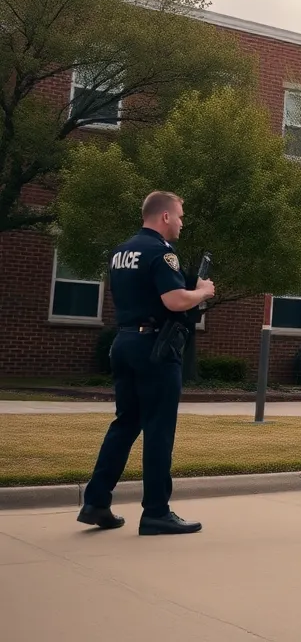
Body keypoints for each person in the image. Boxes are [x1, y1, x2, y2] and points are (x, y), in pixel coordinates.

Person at [77, 190, 214, 536]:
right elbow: (174, 300)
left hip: (124, 342)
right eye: (180, 216)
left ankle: (96, 501)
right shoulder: (161, 252)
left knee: (125, 423)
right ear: (165, 216)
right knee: (158, 428)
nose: (182, 222)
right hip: (155, 347)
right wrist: (202, 292)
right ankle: (156, 511)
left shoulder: (121, 252)